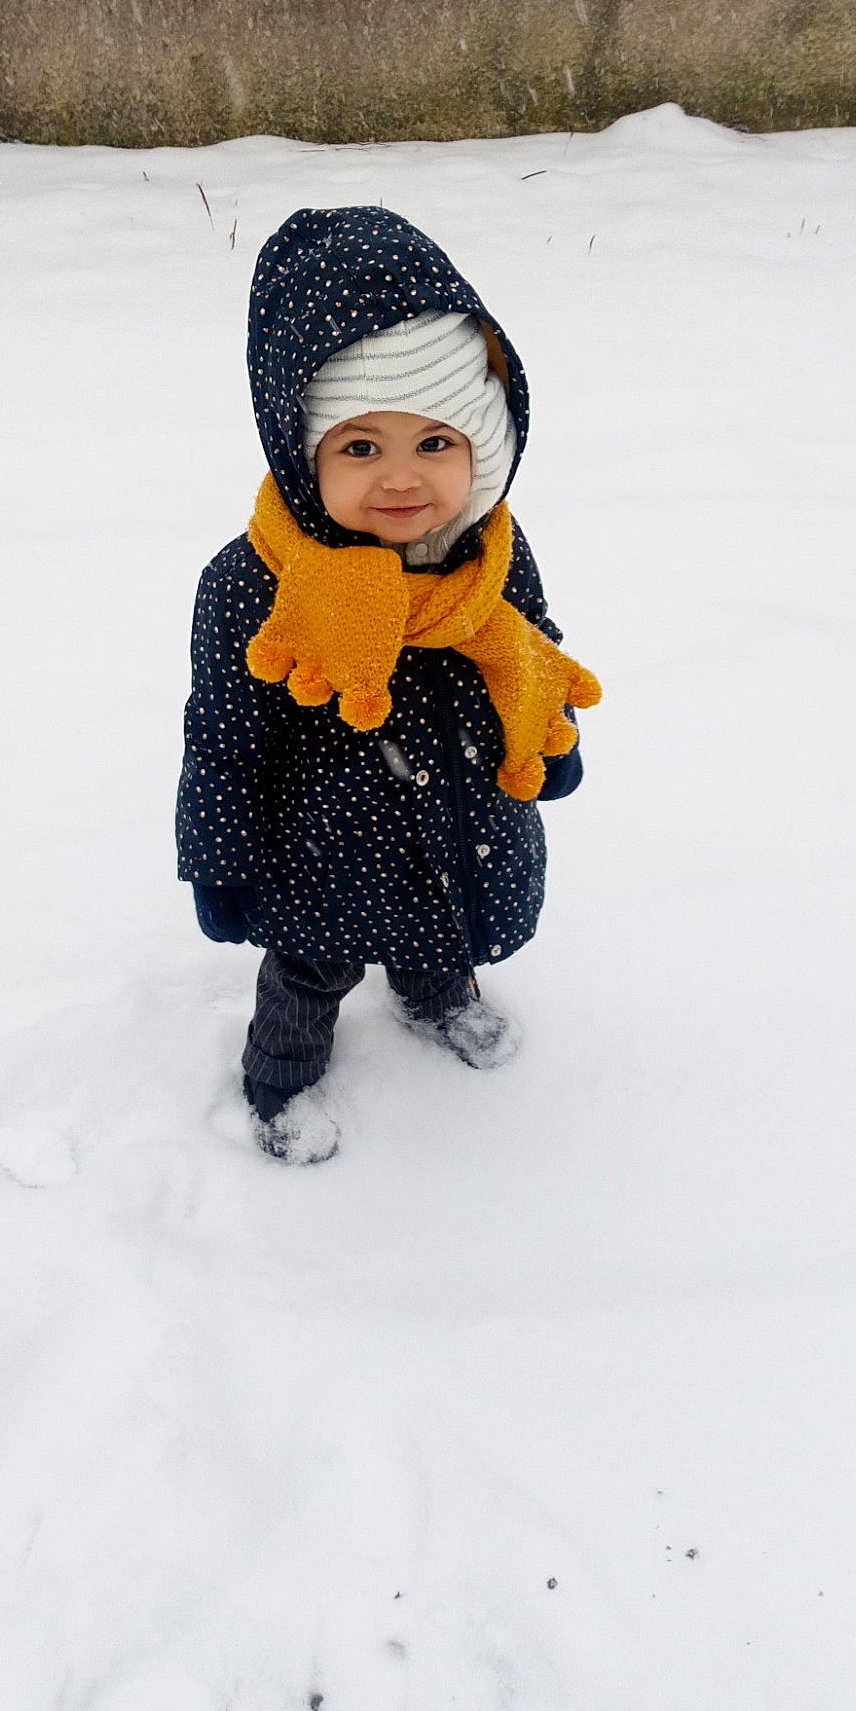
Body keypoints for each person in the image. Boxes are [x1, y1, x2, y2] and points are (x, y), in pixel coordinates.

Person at [176, 205, 599, 1163]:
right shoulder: (254, 583)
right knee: (308, 974)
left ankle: (435, 1001)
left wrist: (551, 723)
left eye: (436, 443)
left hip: (463, 818)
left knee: (442, 933)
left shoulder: (492, 554)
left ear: (483, 448)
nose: (402, 480)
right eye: (360, 446)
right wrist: (221, 856)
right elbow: (224, 737)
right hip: (321, 855)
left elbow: (534, 648)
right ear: (303, 449)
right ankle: (279, 1079)